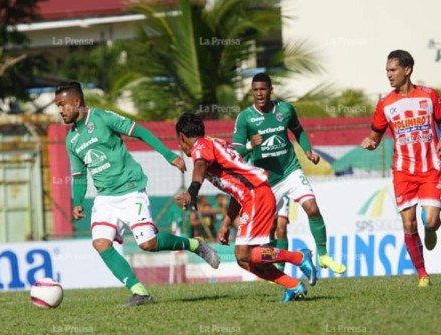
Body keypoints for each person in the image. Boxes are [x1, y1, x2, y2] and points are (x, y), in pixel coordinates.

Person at [55, 81, 220, 307]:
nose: (60, 110)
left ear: (77, 102)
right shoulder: (71, 140)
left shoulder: (102, 118)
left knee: (148, 244)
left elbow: (139, 132)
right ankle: (139, 292)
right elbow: (78, 175)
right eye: (58, 106)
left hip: (131, 189)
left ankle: (194, 245)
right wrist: (77, 201)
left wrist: (168, 155)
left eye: (63, 105)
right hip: (105, 198)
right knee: (101, 243)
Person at [174, 113, 317, 302]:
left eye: (178, 141)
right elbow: (237, 190)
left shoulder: (201, 146)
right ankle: (293, 285)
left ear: (182, 137)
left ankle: (298, 257)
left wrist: (192, 191)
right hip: (253, 195)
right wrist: (226, 223)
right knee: (245, 260)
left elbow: (199, 166)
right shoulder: (215, 144)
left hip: (256, 194)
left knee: (244, 253)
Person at [232, 72, 346, 274]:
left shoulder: (285, 110)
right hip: (266, 181)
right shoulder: (245, 118)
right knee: (267, 230)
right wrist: (250, 144)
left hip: (290, 170)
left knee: (312, 208)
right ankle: (280, 268)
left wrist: (308, 150)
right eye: (255, 90)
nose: (259, 94)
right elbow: (234, 152)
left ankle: (323, 255)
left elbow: (298, 130)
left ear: (270, 90)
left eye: (263, 89)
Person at [361, 50, 441, 287]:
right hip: (403, 171)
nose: (389, 75)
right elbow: (375, 136)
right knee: (408, 224)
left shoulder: (429, 96)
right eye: (387, 70)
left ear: (407, 70)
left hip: (430, 169)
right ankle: (422, 274)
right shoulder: (385, 104)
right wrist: (370, 143)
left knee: (431, 220)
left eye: (393, 70)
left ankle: (432, 228)